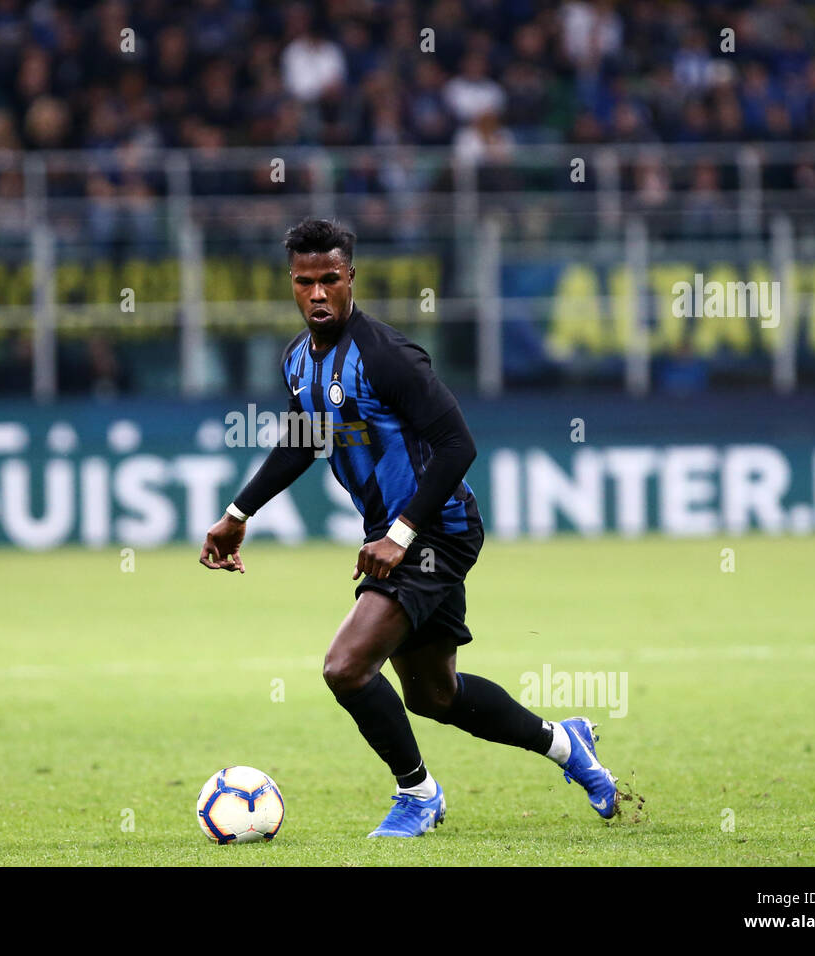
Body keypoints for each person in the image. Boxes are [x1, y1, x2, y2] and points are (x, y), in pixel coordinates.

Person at [199, 218, 620, 837]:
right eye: (304, 282)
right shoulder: (298, 360)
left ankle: (418, 795)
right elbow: (303, 442)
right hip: (397, 535)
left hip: (436, 530)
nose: (318, 294)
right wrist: (238, 514)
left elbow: (457, 445)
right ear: (291, 284)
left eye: (330, 280)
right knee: (433, 695)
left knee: (345, 667)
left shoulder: (385, 355)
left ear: (351, 279)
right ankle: (566, 744)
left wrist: (400, 533)